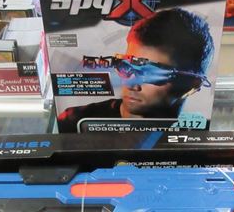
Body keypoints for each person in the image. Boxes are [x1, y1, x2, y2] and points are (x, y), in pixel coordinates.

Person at [58, 7, 214, 131]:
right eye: (126, 66)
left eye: (150, 73)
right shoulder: (74, 123)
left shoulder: (199, 135)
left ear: (192, 85)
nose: (131, 83)